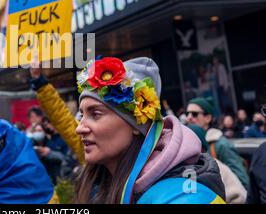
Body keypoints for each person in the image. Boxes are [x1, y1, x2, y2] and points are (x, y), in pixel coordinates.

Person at [30, 57, 225, 204]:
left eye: (95, 114)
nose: (79, 128)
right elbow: (64, 120)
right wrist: (40, 83)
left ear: (134, 124)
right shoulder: (102, 169)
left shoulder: (184, 196)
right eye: (82, 115)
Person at [186, 97, 249, 189]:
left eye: (194, 114)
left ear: (208, 118)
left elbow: (243, 182)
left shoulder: (221, 145)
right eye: (187, 113)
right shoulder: (189, 147)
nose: (189, 117)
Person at [187, 124, 247, 204]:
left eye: (195, 114)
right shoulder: (181, 170)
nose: (189, 117)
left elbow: (240, 194)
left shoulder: (215, 165)